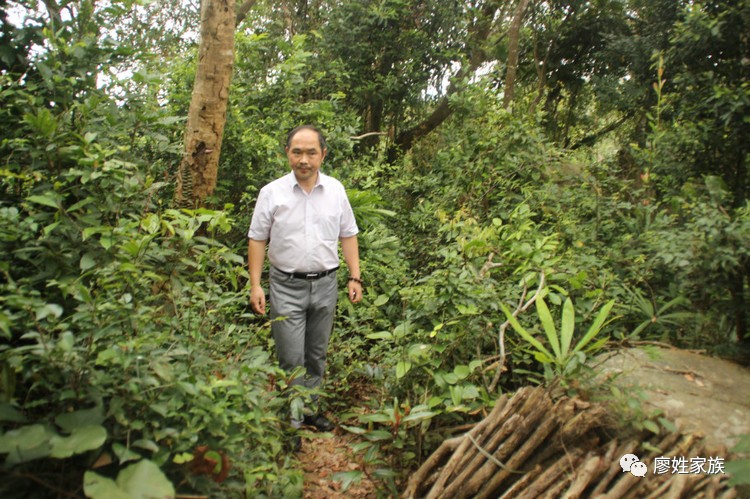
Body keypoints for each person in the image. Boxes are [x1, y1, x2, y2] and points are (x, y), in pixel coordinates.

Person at [247, 125, 363, 435]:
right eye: (297, 151)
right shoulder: (272, 193)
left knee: (316, 352)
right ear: (287, 153)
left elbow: (348, 234)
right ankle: (293, 421)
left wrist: (355, 277)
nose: (304, 159)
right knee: (291, 355)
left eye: (311, 152)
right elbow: (257, 239)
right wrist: (256, 284)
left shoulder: (336, 190)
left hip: (326, 283)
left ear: (323, 154)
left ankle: (310, 409)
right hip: (286, 285)